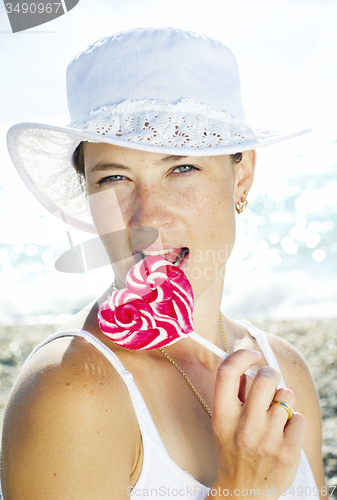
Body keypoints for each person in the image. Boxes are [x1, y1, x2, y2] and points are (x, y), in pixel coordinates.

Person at [1, 28, 325, 499]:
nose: (146, 217)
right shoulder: (71, 393)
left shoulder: (285, 371)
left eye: (181, 168)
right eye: (114, 177)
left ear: (242, 175)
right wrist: (240, 491)